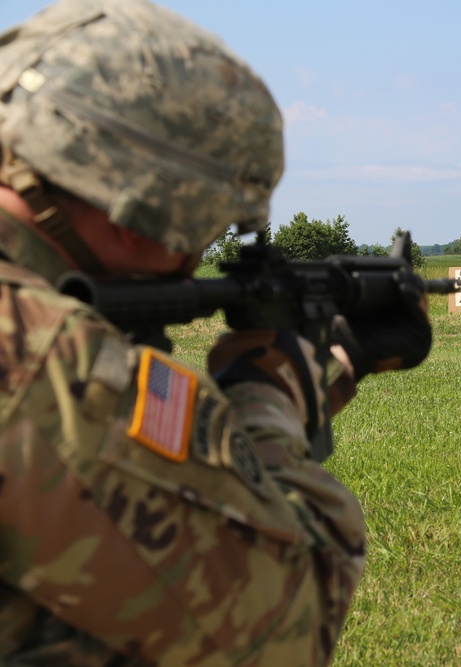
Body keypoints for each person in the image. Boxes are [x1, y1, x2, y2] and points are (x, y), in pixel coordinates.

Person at [0, 0, 432, 664]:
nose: (198, 257)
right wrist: (266, 395)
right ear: (137, 214)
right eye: (209, 227)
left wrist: (337, 360)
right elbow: (282, 618)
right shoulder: (45, 365)